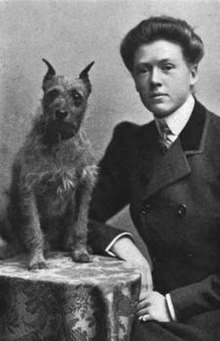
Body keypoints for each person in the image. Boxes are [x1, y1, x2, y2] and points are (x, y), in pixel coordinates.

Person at [88, 15, 220, 341]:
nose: (154, 80)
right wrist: (122, 244)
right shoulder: (131, 144)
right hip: (151, 306)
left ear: (193, 73)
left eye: (167, 67)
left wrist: (174, 305)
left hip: (206, 313)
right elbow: (75, 216)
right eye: (143, 70)